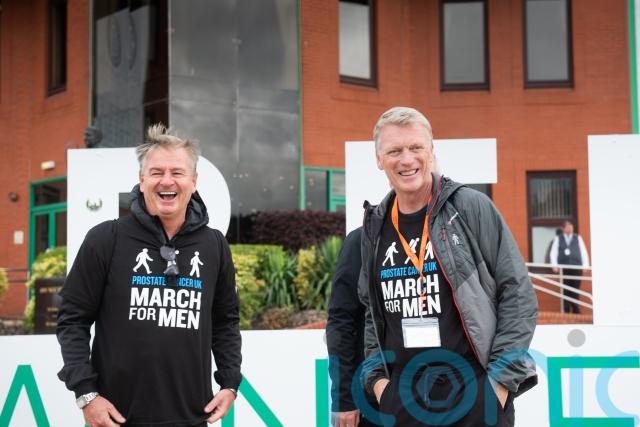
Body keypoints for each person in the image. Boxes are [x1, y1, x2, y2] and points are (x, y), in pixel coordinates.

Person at [358, 107, 538, 426]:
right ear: (379, 159)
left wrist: (498, 384)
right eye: (394, 151)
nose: (407, 160)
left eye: (416, 147)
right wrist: (380, 385)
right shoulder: (376, 226)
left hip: (476, 392)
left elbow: (518, 294)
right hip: (404, 400)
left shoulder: (469, 207)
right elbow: (370, 313)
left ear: (431, 151)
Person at [57, 124, 242, 426]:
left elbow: (225, 322)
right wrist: (86, 393)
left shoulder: (215, 245)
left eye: (177, 172)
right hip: (117, 418)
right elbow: (72, 319)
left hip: (192, 417)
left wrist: (230, 382)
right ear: (142, 180)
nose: (166, 180)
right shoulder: (106, 238)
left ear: (194, 181)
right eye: (156, 172)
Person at [326, 227, 377, 427]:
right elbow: (341, 321)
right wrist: (344, 398)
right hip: (375, 397)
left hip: (440, 392)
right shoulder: (362, 239)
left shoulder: (445, 233)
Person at [549, 220, 590, 314]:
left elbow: (583, 251)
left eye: (571, 227)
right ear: (563, 229)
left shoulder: (577, 238)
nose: (570, 229)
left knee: (575, 288)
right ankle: (566, 309)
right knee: (565, 289)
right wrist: (554, 265)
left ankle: (575, 309)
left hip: (576, 268)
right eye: (568, 227)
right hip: (564, 268)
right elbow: (553, 253)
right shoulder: (558, 238)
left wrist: (585, 265)